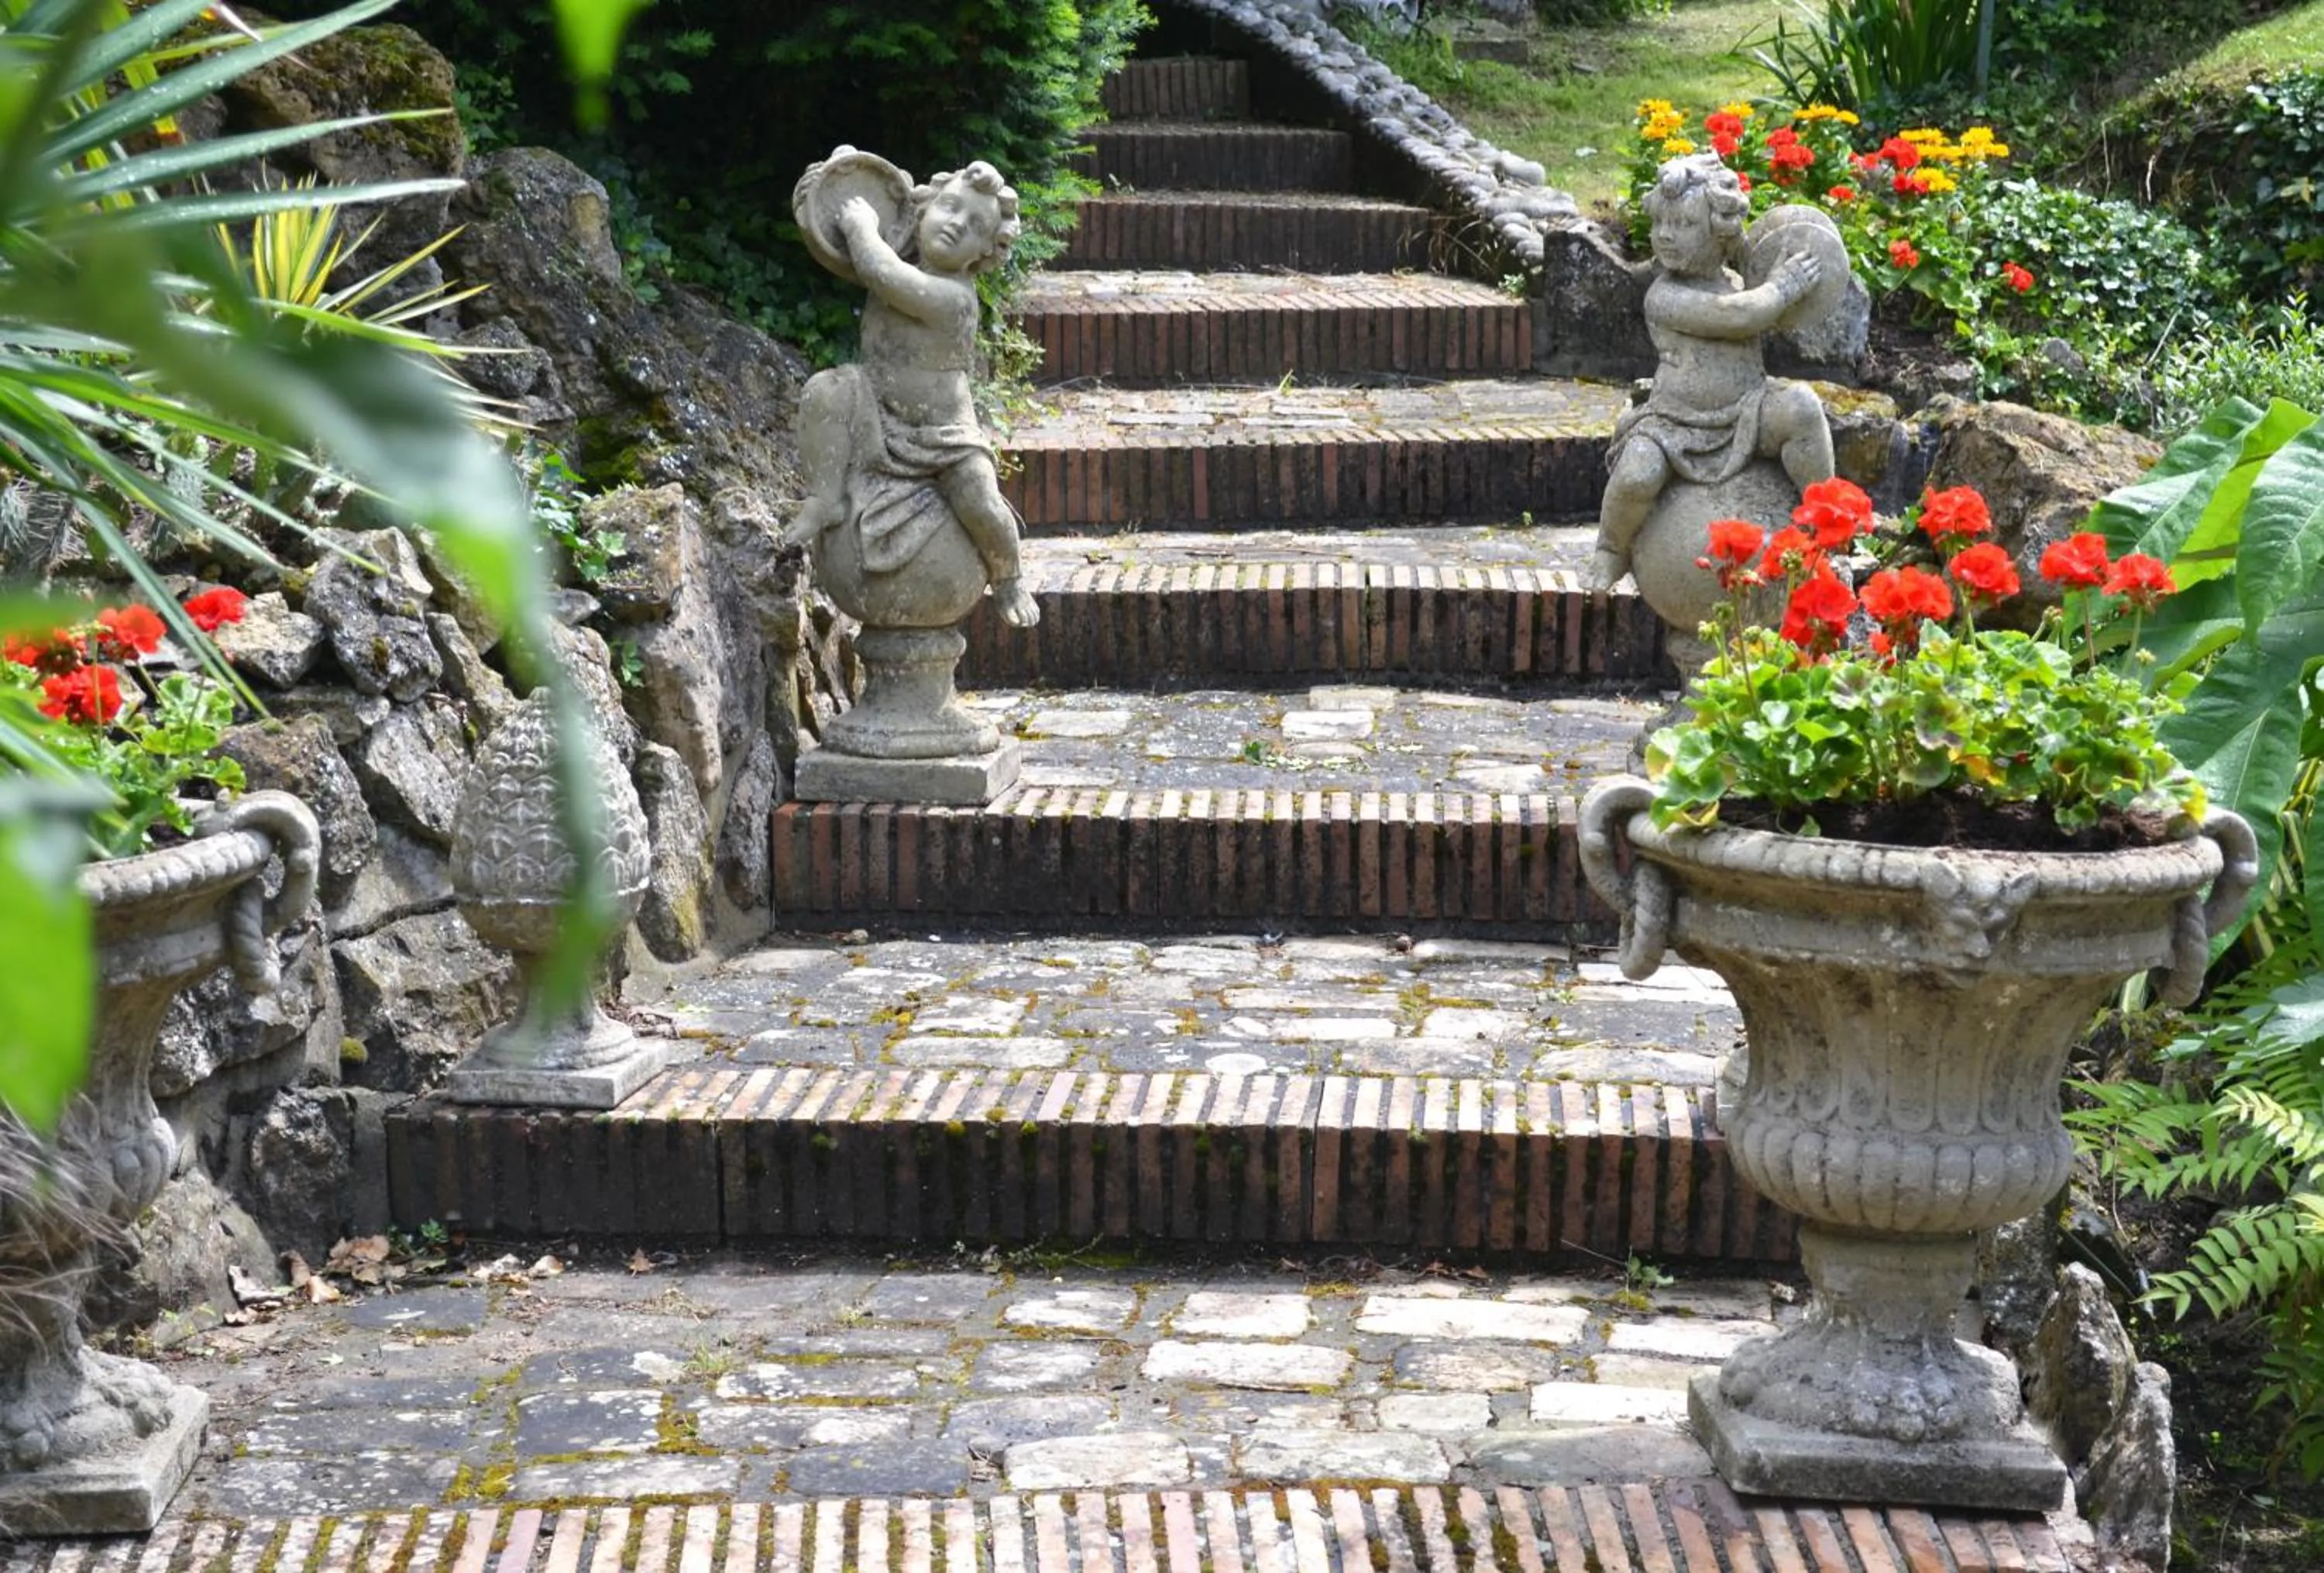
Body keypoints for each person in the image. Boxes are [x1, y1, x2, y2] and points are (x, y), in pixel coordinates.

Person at [789, 160, 1040, 628]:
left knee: (980, 502)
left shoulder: (954, 299)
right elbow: (837, 241)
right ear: (923, 208)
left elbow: (877, 269)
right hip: (878, 415)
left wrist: (862, 225)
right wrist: (828, 184)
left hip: (942, 437)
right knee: (827, 390)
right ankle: (826, 498)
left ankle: (1009, 577)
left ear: (984, 251)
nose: (956, 225)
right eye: (950, 207)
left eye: (975, 226)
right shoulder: (899, 254)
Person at [1585, 153, 1835, 593]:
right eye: (1661, 223)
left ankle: (1829, 519)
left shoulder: (1736, 278)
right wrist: (1784, 286)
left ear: (1719, 232)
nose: (1665, 235)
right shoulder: (1665, 297)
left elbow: (1759, 275)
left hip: (1748, 408)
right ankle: (1611, 548)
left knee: (1801, 409)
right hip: (1676, 420)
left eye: (1682, 225)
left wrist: (1792, 255)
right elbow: (1739, 317)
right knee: (1637, 474)